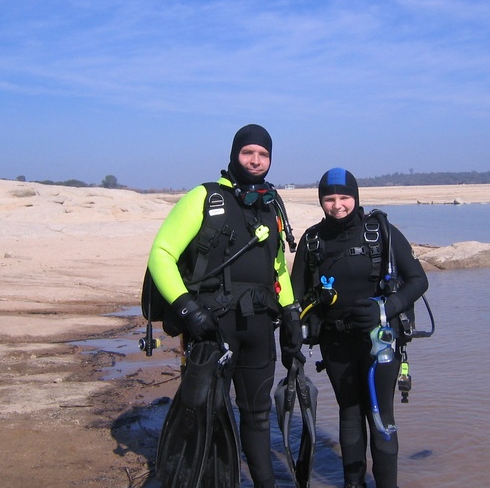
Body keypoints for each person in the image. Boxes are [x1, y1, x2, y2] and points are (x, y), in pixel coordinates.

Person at [148, 124, 303, 488]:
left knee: (258, 415)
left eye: (263, 154)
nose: (256, 160)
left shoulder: (271, 204)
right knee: (206, 413)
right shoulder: (205, 197)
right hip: (212, 326)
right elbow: (161, 254)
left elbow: (278, 267)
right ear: (235, 154)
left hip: (260, 327)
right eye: (248, 152)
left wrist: (292, 312)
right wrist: (188, 309)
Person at [290, 168, 429, 488]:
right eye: (329, 199)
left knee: (381, 419)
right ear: (321, 201)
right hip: (336, 344)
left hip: (379, 343)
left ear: (356, 196)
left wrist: (386, 307)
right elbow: (296, 297)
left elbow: (418, 280)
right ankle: (353, 484)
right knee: (349, 413)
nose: (337, 205)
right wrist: (291, 332)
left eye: (344, 197)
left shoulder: (380, 232)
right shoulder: (313, 241)